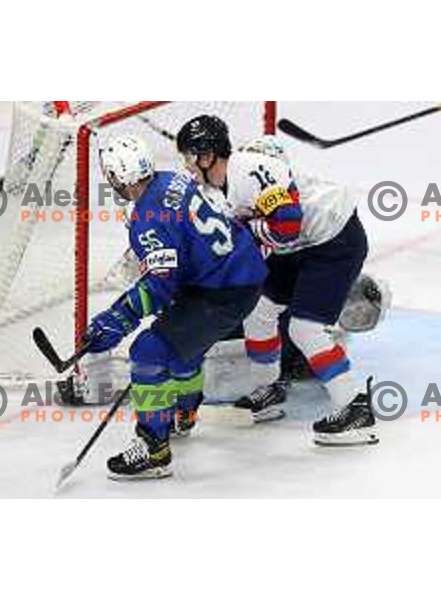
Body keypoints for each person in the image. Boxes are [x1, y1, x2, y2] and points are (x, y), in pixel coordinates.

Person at [176, 116, 379, 446]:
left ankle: (354, 406)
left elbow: (286, 228)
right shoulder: (218, 189)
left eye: (189, 157)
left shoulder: (248, 171)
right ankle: (268, 389)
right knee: (259, 311)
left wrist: (245, 232)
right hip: (302, 245)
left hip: (335, 238)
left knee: (304, 328)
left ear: (208, 155)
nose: (188, 167)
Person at [84, 135, 267, 479]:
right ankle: (185, 411)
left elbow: (160, 284)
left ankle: (154, 448)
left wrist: (118, 318)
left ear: (115, 177)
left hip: (224, 289)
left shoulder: (146, 220)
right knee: (183, 347)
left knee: (149, 352)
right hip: (238, 271)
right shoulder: (171, 179)